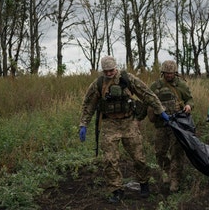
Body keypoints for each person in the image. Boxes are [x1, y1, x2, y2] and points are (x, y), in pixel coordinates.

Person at [78, 56, 169, 204]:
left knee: (139, 157)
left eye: (111, 70)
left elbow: (146, 93)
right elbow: (88, 105)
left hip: (129, 122)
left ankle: (144, 183)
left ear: (116, 68)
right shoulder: (98, 84)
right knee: (109, 159)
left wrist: (160, 110)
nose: (109, 73)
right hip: (109, 123)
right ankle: (116, 190)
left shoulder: (127, 79)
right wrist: (83, 124)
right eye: (106, 71)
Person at [149, 60, 193, 193]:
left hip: (177, 124)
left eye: (171, 73)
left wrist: (189, 105)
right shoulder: (155, 86)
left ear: (175, 72)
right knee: (160, 152)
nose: (169, 75)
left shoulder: (181, 85)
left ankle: (175, 179)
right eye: (167, 73)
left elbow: (190, 99)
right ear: (163, 72)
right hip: (161, 124)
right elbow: (148, 101)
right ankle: (167, 171)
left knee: (176, 152)